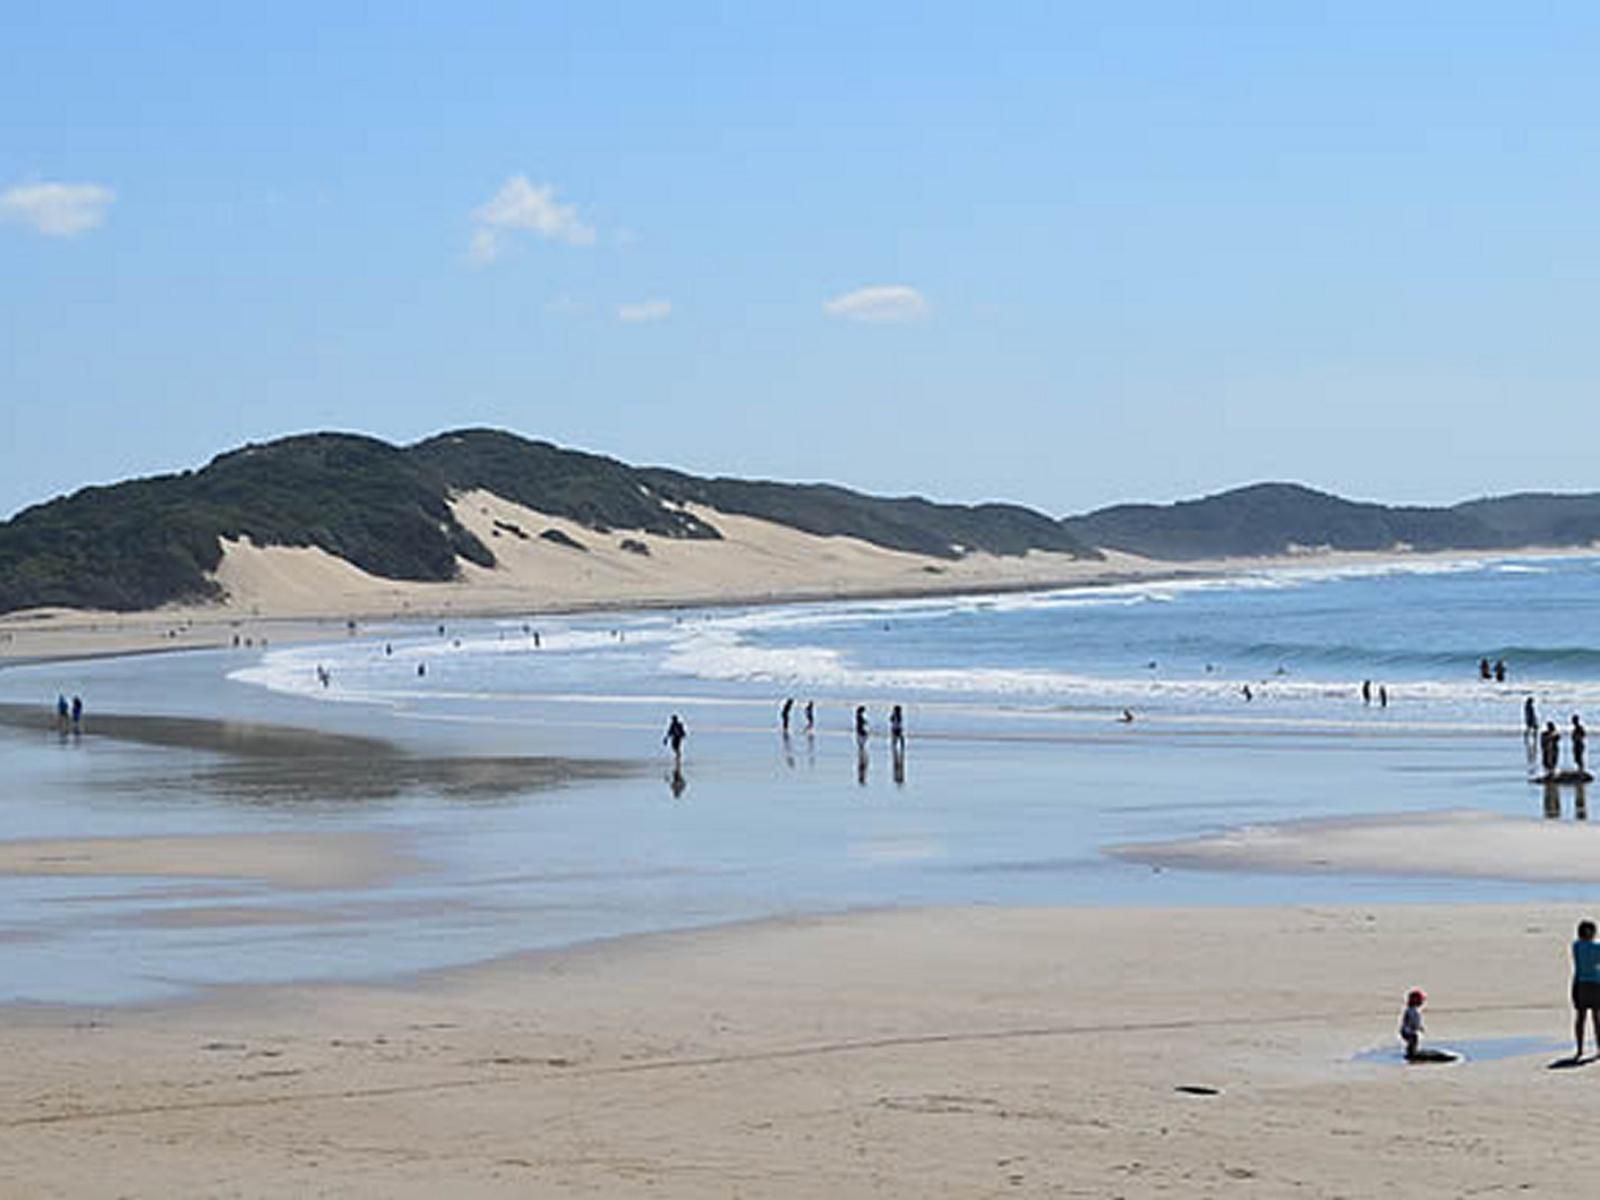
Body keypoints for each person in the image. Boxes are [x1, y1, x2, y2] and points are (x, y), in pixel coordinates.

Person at [1573, 920, 1600, 1059]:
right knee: (1596, 1018)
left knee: (1581, 1017)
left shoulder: (1576, 946)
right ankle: (1597, 1048)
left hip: (1581, 982)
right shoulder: (1596, 946)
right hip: (1594, 983)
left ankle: (1580, 1049)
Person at [1399, 989, 1427, 1061]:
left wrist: (1419, 1027)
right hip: (1407, 1030)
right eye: (1421, 1000)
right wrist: (1418, 1027)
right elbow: (1413, 1021)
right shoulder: (1412, 1010)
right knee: (1414, 1039)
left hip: (1408, 1030)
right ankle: (1411, 1053)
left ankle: (1412, 1051)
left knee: (1414, 1040)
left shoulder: (1412, 1010)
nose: (1422, 1002)